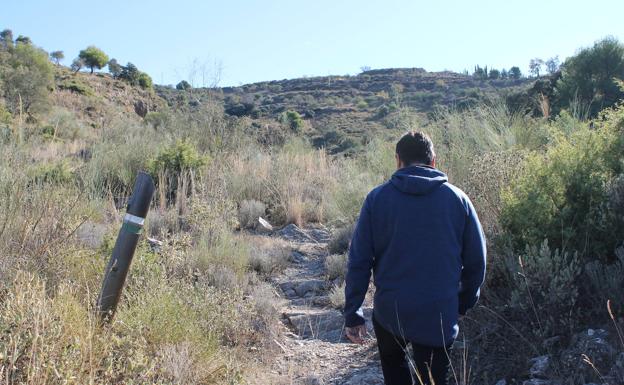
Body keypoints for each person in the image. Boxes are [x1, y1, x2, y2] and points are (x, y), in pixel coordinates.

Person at [343, 131, 487, 385]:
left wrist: (354, 312)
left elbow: (359, 261)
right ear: (433, 161)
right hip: (439, 314)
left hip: (391, 313)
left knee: (395, 375)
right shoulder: (458, 200)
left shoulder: (377, 199)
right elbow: (477, 263)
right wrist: (462, 304)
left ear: (398, 160)